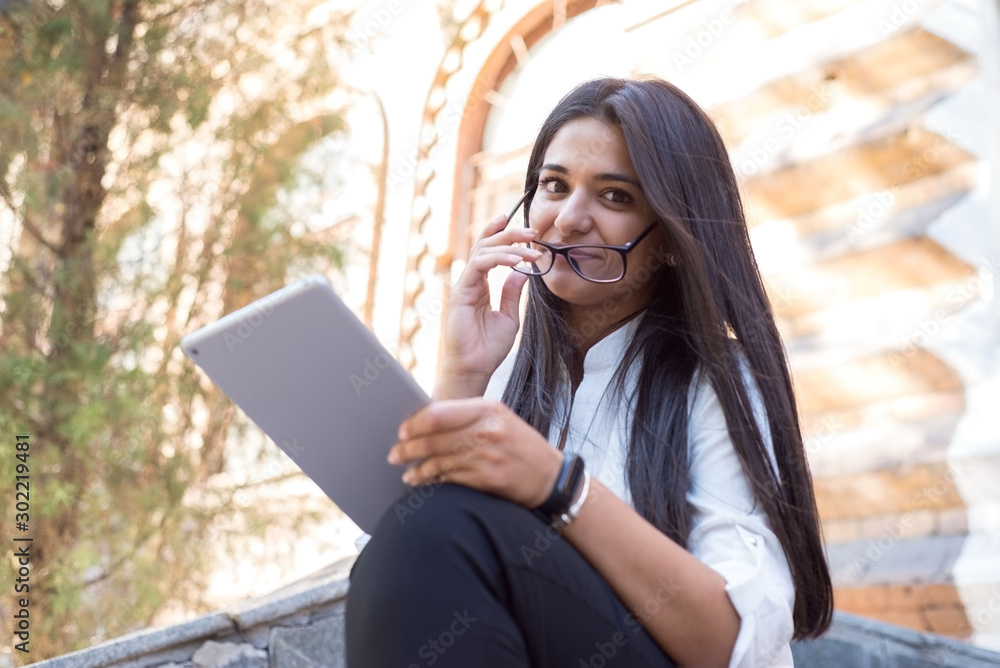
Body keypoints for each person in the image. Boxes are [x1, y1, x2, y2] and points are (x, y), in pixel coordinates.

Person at [344, 76, 833, 668]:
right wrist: (462, 374)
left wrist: (560, 487)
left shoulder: (717, 384)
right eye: (554, 185)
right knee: (419, 534)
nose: (569, 219)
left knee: (444, 526)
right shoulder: (506, 383)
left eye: (614, 197)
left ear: (673, 240)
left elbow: (732, 643)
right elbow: (410, 582)